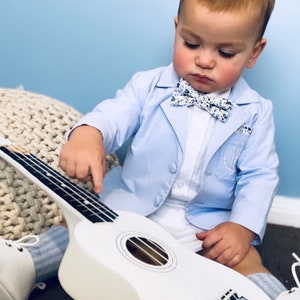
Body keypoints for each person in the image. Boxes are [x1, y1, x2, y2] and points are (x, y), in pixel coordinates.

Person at [1, 0, 299, 299]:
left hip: (205, 229)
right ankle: (24, 261)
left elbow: (259, 175)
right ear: (176, 30)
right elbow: (114, 116)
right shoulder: (148, 85)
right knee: (80, 228)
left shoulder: (257, 112)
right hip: (130, 208)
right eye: (192, 43)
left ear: (253, 53)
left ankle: (274, 295)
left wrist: (242, 227)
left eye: (225, 53)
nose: (205, 61)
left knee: (243, 257)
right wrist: (89, 134)